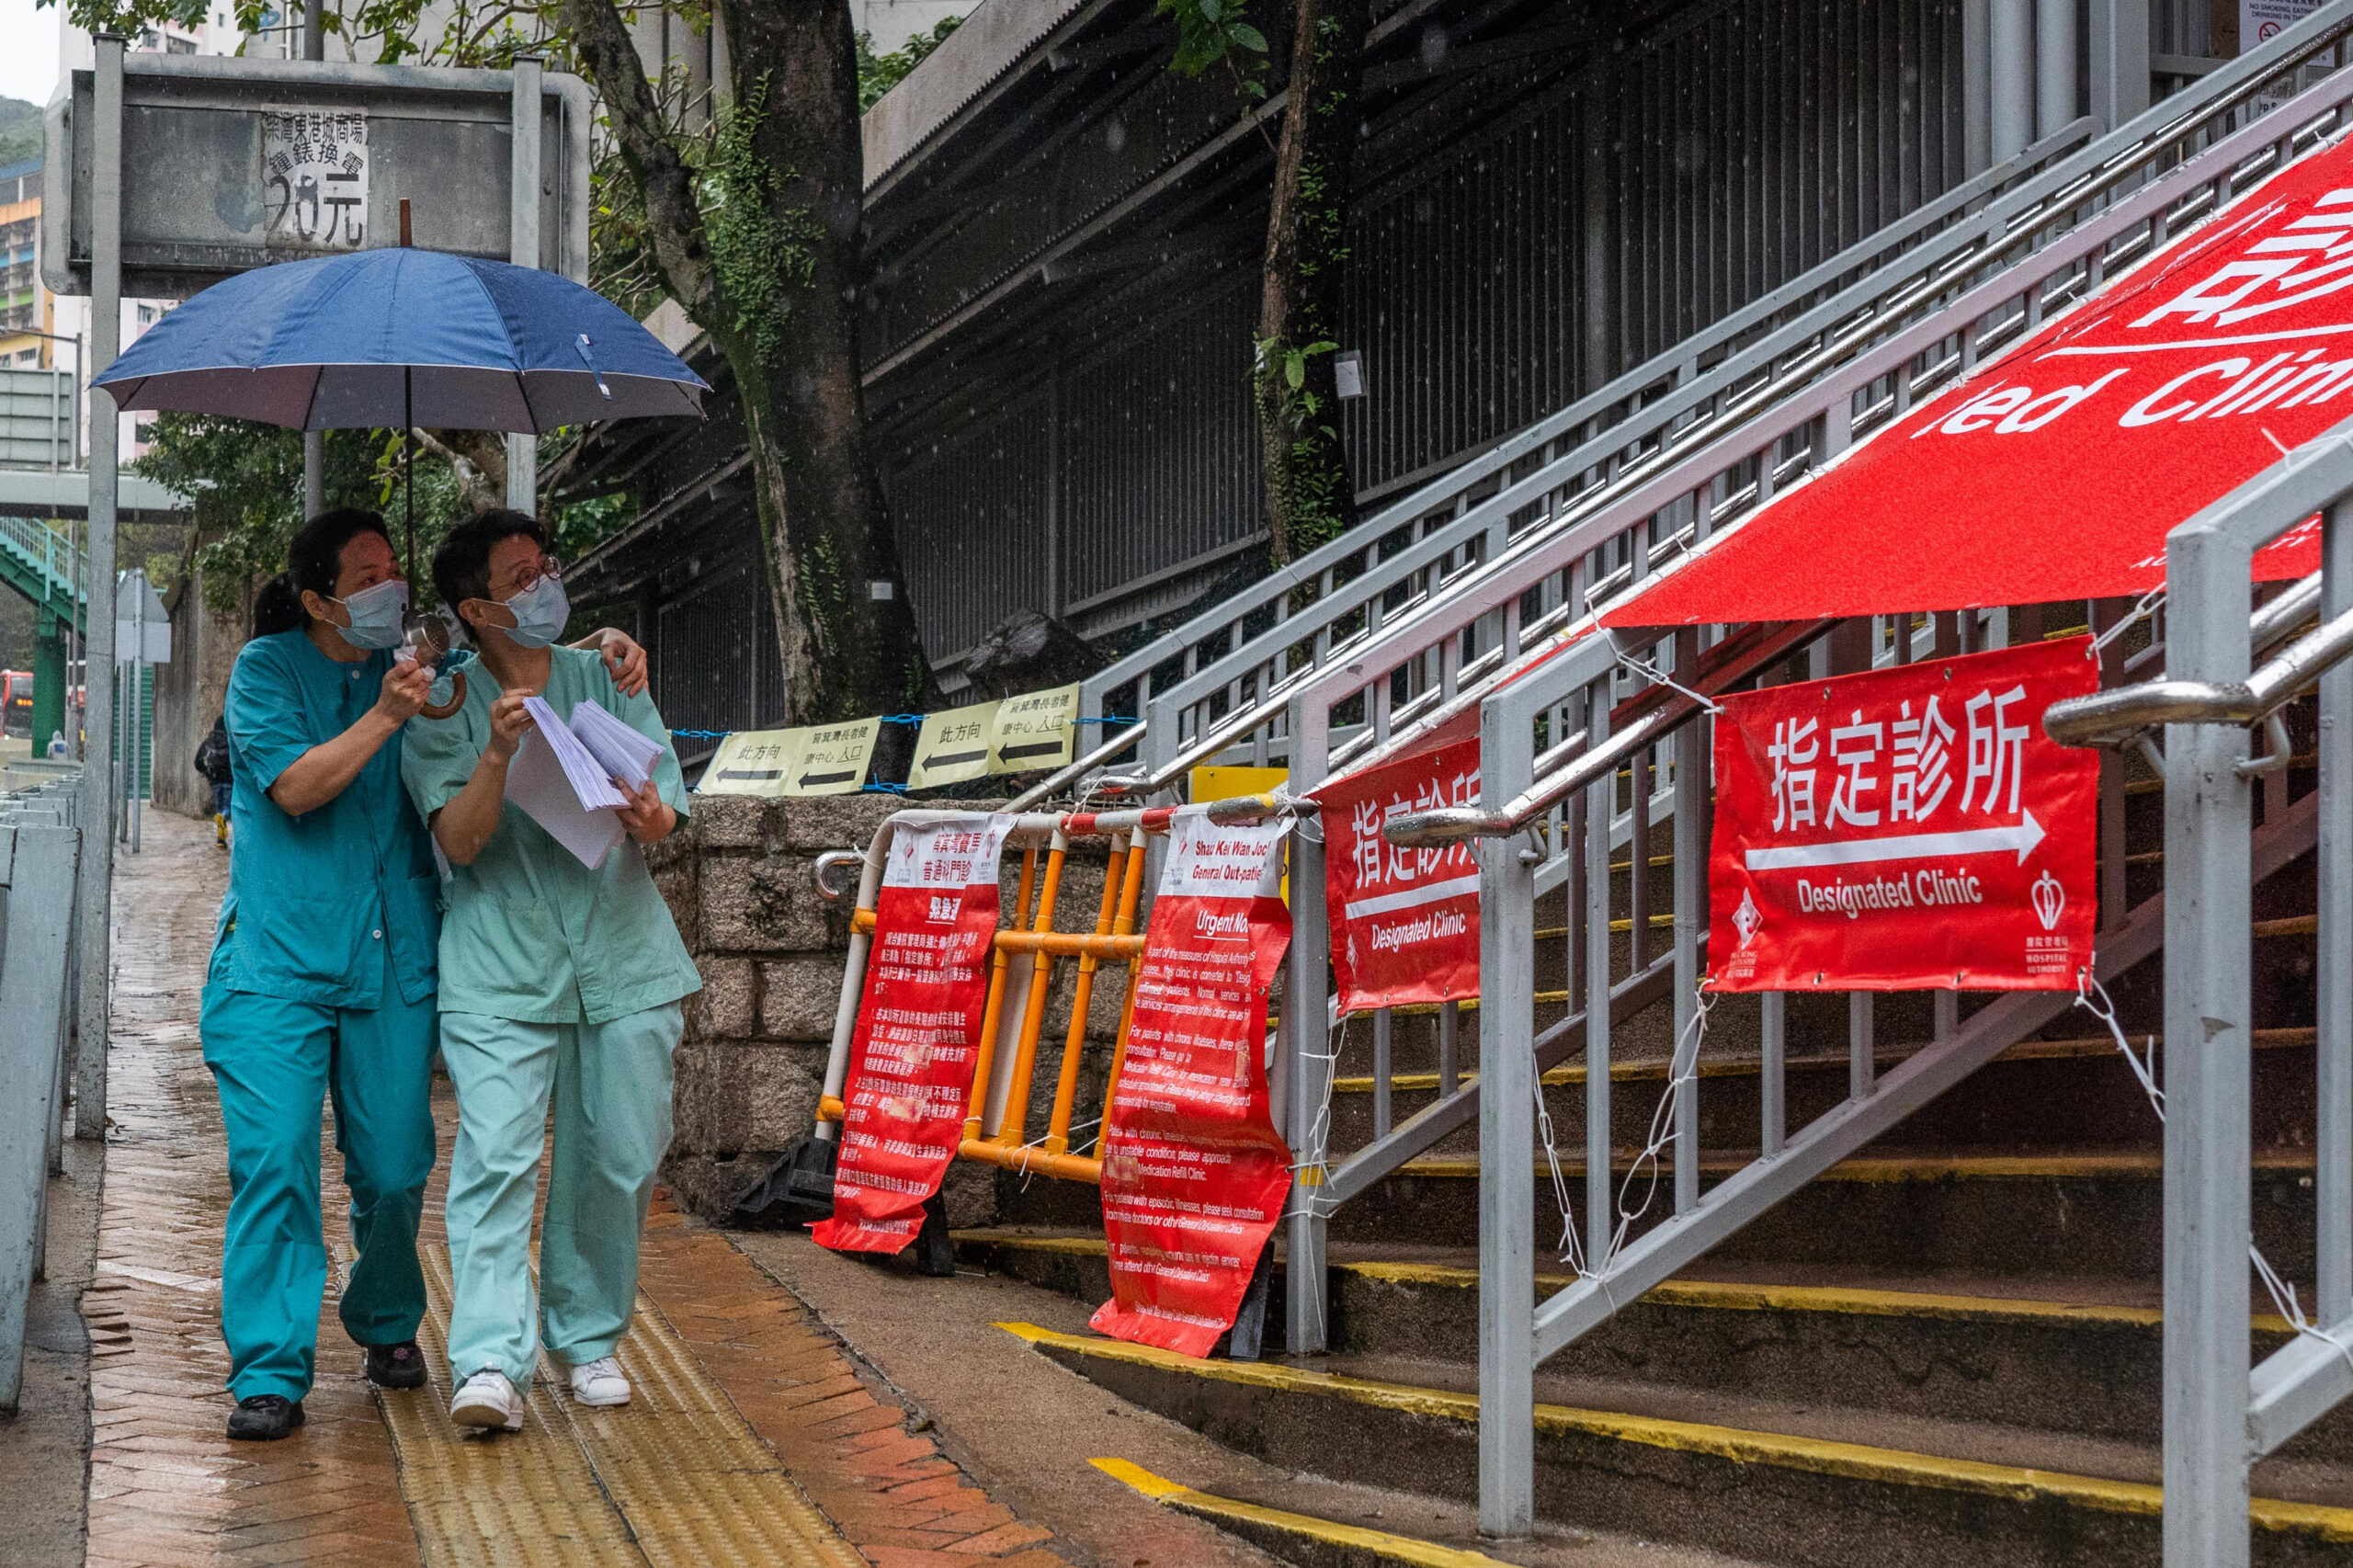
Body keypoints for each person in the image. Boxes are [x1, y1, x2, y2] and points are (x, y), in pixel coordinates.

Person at [201, 507, 648, 1442]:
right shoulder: (266, 671)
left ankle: (385, 1321)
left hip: (393, 954)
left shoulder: (426, 678)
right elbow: (296, 786)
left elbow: (515, 664)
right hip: (278, 961)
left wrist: (608, 644)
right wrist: (384, 714)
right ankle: (272, 1368)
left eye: (395, 567)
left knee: (399, 1163)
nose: (390, 586)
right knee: (277, 1161)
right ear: (321, 596)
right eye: (367, 575)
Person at [401, 510, 699, 1434]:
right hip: (500, 966)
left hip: (623, 956)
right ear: (477, 608)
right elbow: (459, 837)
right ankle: (490, 1355)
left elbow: (667, 804)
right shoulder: (442, 704)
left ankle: (588, 1334)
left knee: (619, 1154)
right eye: (519, 577)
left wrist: (651, 818)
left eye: (546, 568)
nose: (543, 586)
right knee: (495, 1158)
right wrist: (497, 751)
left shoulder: (601, 674)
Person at [195, 712, 233, 847]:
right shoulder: (230, 740)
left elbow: (197, 762)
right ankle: (223, 822)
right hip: (229, 780)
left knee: (220, 808)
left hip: (214, 781)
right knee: (228, 809)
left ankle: (220, 840)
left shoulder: (208, 742)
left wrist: (207, 774)